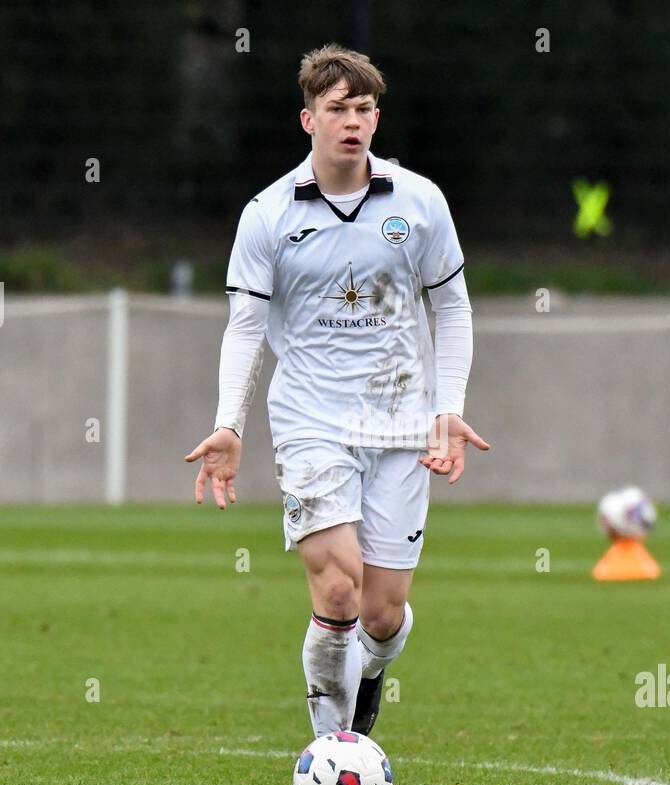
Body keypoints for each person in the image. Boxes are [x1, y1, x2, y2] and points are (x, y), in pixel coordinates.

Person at [185, 43, 488, 739]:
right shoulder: (267, 215)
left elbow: (454, 309)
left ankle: (371, 672)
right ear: (307, 120)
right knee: (339, 589)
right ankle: (334, 751)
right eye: (337, 109)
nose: (352, 121)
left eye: (363, 109)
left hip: (401, 423)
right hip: (311, 420)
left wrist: (450, 410)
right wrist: (229, 424)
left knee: (381, 615)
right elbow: (245, 327)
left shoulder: (419, 202)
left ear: (376, 119)